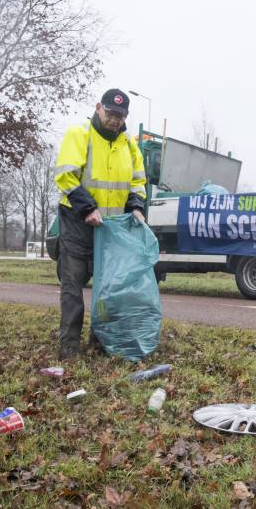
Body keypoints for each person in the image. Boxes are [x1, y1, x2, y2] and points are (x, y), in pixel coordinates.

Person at [52, 88, 148, 359]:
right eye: (110, 113)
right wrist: (88, 207)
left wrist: (137, 207)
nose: (114, 120)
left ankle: (100, 341)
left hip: (110, 229)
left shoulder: (129, 145)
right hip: (77, 223)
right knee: (73, 286)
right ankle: (69, 346)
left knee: (108, 289)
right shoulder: (79, 134)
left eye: (120, 115)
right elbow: (65, 176)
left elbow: (138, 183)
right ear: (98, 108)